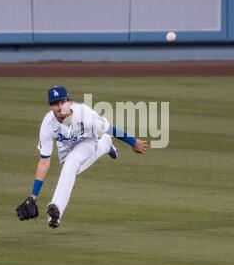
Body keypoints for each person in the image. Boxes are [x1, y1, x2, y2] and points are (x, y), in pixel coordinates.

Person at [16, 85, 147, 228]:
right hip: (66, 151)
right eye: (55, 103)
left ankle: (56, 211)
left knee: (71, 163)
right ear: (50, 106)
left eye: (62, 102)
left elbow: (109, 128)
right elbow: (44, 161)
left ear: (69, 102)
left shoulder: (84, 113)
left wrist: (133, 142)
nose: (60, 107)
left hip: (88, 141)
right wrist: (33, 196)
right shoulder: (48, 125)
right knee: (71, 168)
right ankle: (105, 143)